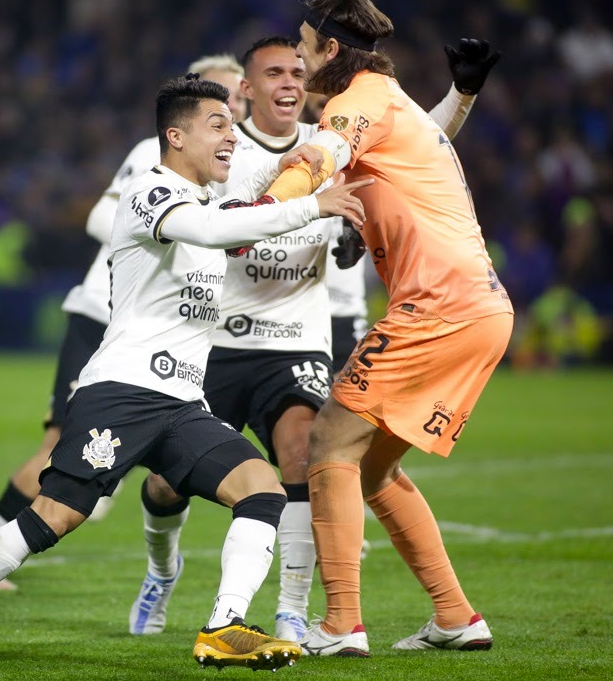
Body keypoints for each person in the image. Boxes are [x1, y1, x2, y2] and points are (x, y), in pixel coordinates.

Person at [0, 74, 372, 674]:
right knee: (56, 515)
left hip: (182, 403)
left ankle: (224, 626)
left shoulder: (212, 200)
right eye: (218, 125)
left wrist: (320, 167)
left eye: (232, 125)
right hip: (121, 390)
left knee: (263, 489)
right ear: (175, 136)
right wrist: (313, 205)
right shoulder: (151, 192)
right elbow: (215, 231)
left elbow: (256, 198)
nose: (231, 136)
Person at [127, 36, 499, 642]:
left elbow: (418, 138)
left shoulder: (330, 144)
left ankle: (296, 611)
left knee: (310, 451)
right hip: (216, 343)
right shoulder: (218, 152)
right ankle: (161, 570)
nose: (290, 81)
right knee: (167, 481)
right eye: (273, 72)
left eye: (298, 70)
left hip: (295, 339)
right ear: (246, 89)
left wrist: (461, 94)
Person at [0, 55, 246, 583]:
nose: (235, 115)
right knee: (57, 452)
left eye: (238, 104)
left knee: (144, 470)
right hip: (107, 313)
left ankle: (151, 563)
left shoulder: (227, 164)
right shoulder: (155, 157)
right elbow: (102, 215)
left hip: (166, 326)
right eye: (224, 105)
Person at [290, 0, 511, 657]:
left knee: (326, 444)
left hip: (437, 308)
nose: (298, 64)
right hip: (480, 308)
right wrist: (464, 97)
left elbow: (317, 161)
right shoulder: (392, 100)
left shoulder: (354, 100)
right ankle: (455, 616)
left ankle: (340, 625)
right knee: (374, 469)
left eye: (303, 49)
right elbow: (426, 141)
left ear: (330, 51)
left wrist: (258, 211)